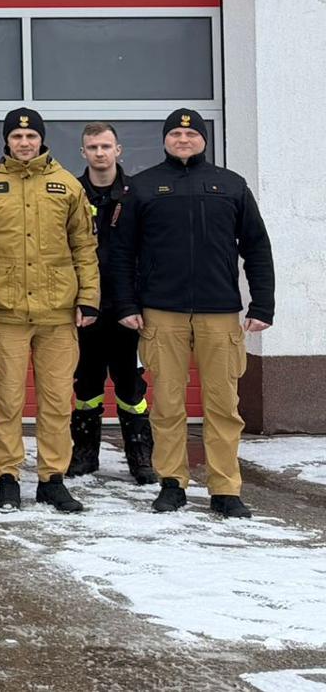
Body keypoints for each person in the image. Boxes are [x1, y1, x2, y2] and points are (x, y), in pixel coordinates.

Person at [109, 108, 274, 519]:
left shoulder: (231, 185)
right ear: (165, 140)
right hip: (161, 312)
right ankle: (171, 483)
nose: (183, 140)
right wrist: (127, 305)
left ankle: (225, 489)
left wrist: (263, 304)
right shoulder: (142, 187)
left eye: (191, 134)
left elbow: (256, 247)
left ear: (203, 139)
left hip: (220, 312)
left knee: (222, 404)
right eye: (175, 134)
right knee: (166, 403)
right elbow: (121, 254)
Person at [0, 108, 99, 513]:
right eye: (17, 137)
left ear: (42, 139)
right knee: (6, 399)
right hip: (4, 312)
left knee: (57, 400)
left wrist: (88, 298)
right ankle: (6, 476)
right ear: (7, 140)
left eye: (31, 137)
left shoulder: (67, 186)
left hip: (57, 314)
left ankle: (51, 478)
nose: (25, 143)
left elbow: (84, 247)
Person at [66, 123, 157, 484]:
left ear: (118, 149)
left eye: (106, 146)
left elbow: (149, 251)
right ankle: (85, 455)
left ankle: (140, 458)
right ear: (83, 152)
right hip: (84, 308)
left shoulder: (137, 194)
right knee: (85, 386)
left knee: (131, 387)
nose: (99, 153)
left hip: (126, 308)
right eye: (92, 147)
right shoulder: (70, 192)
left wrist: (138, 301)